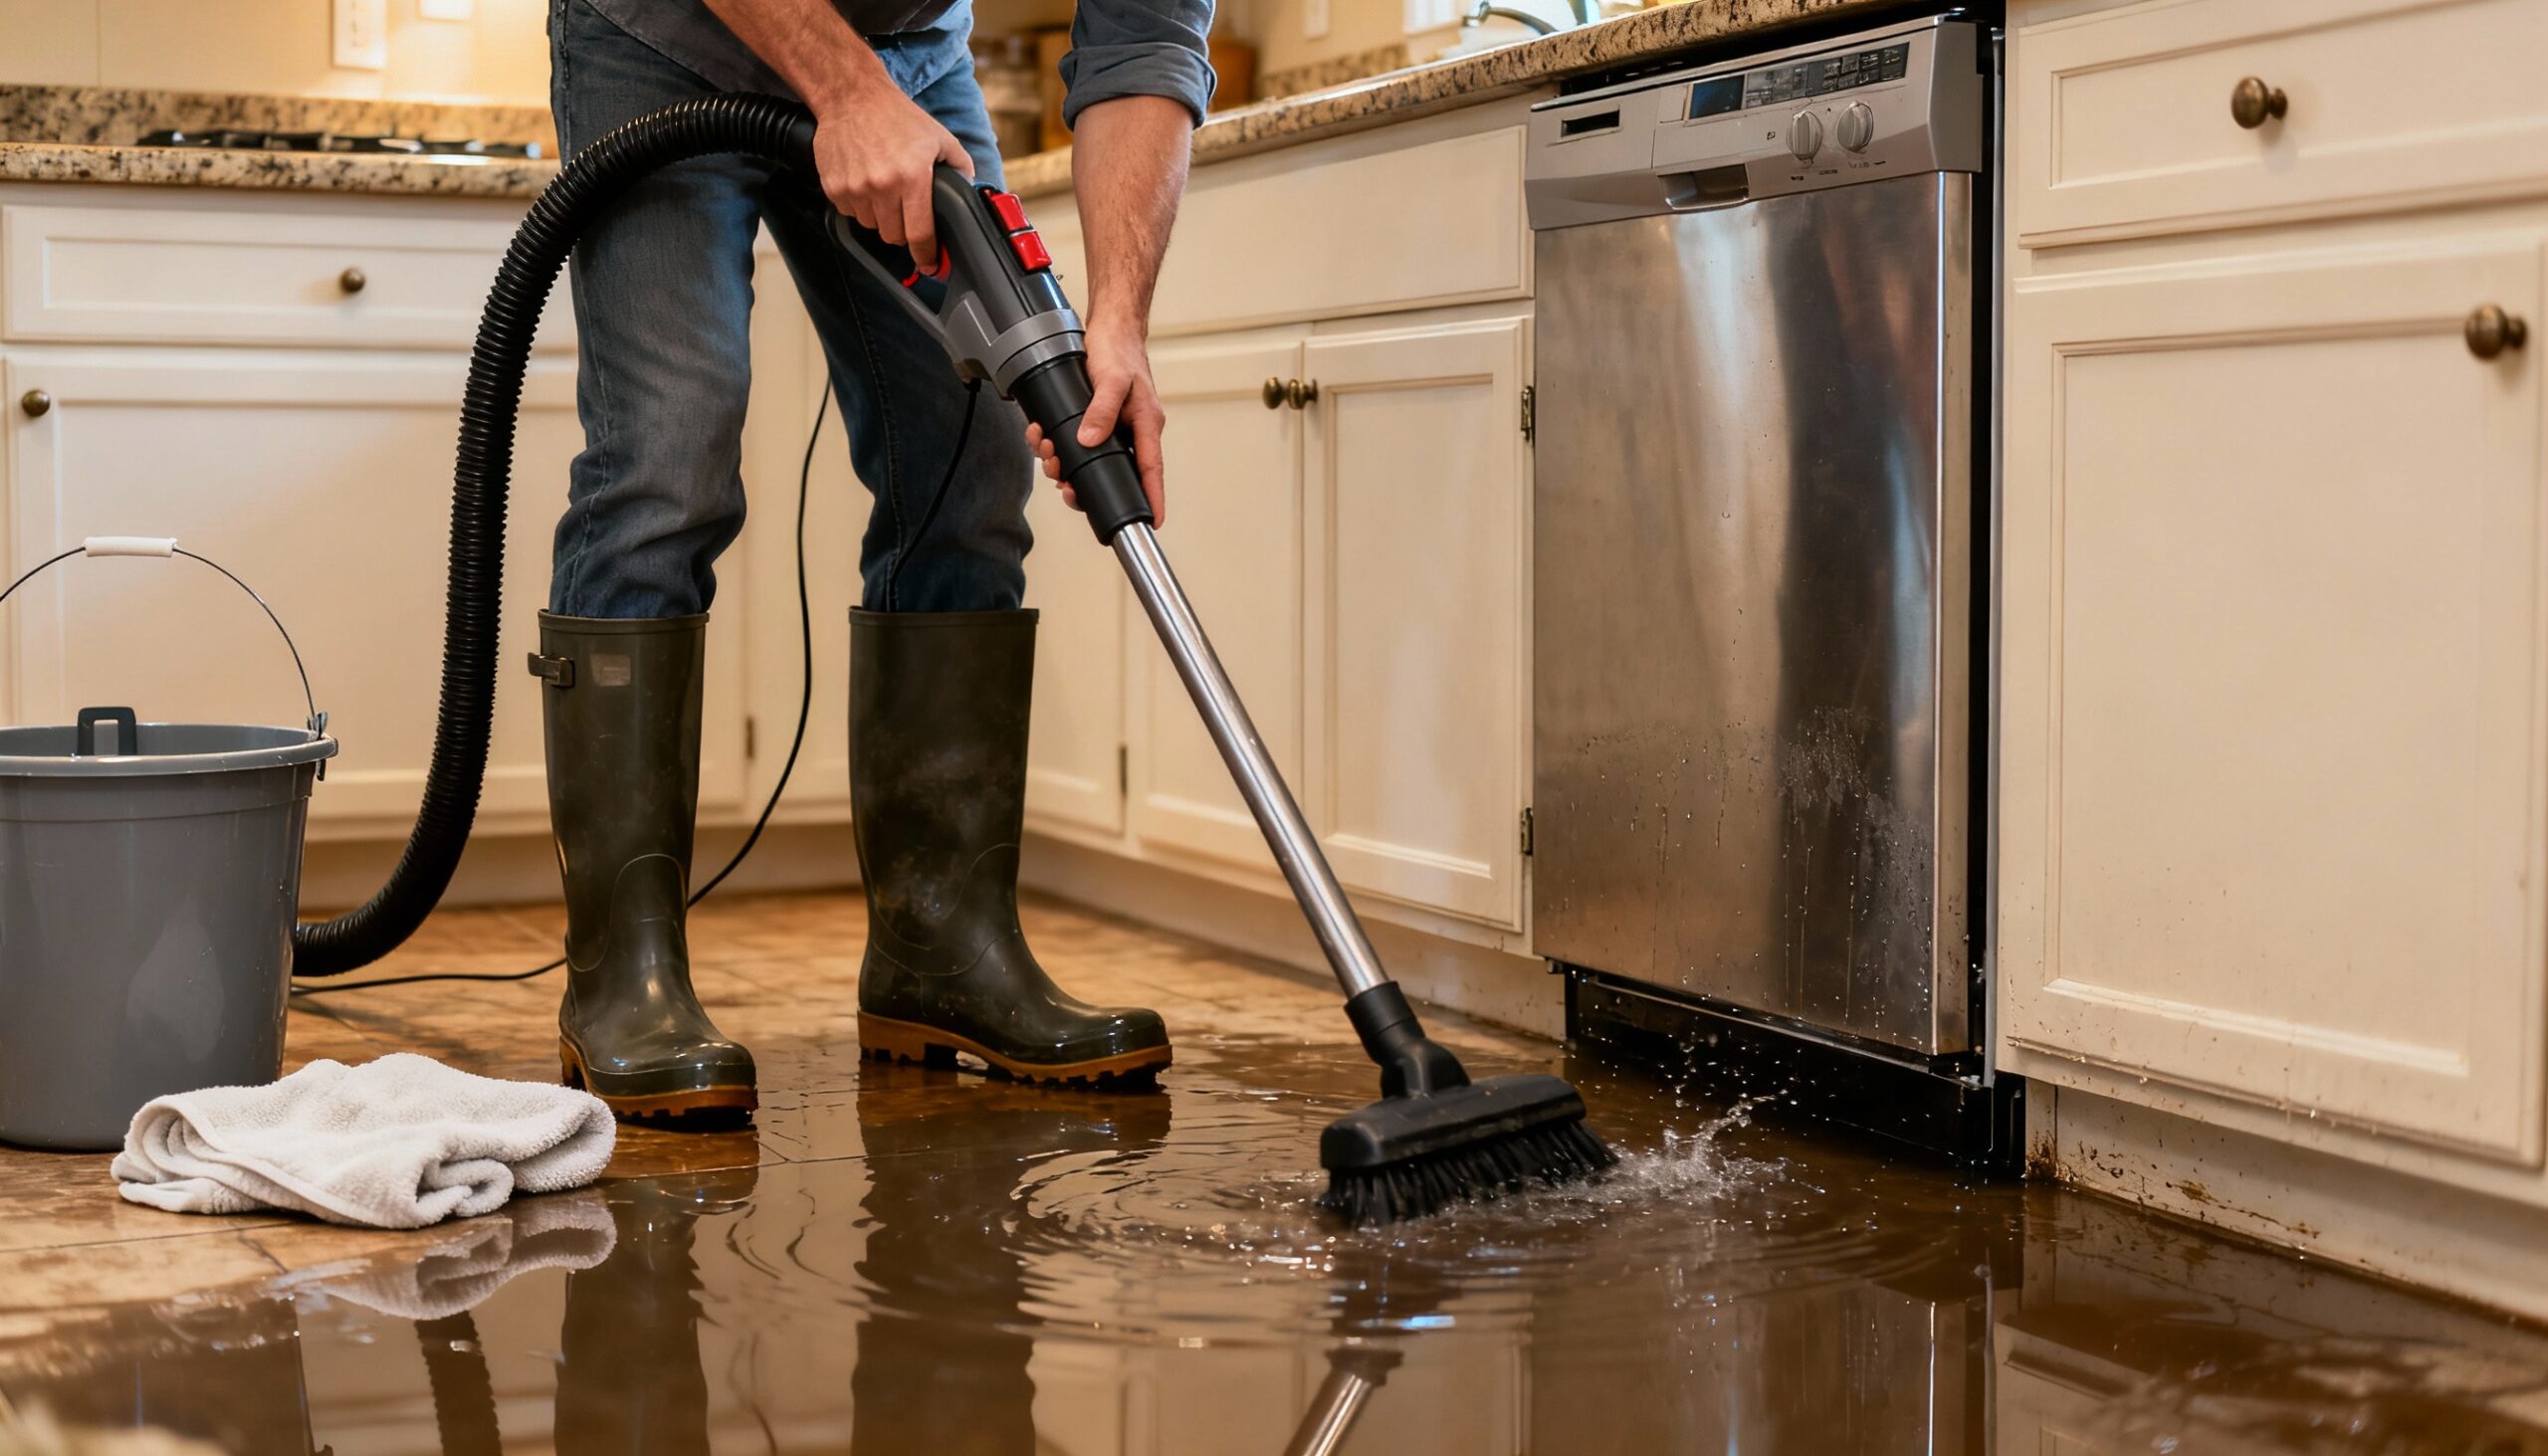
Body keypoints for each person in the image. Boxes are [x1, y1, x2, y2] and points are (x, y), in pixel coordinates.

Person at [533, 0, 1206, 1122]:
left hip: (914, 56)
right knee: (671, 451)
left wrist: (1116, 320)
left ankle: (939, 953)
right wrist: (842, 92)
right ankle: (622, 975)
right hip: (659, 34)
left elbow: (1144, 41)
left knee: (975, 448)